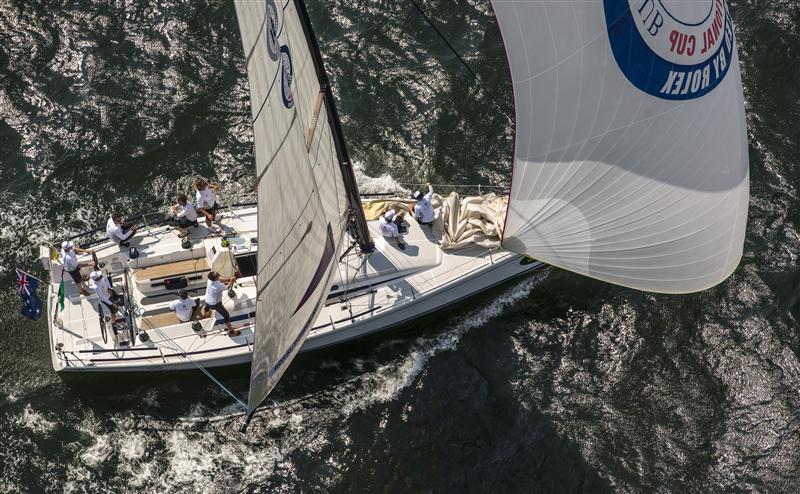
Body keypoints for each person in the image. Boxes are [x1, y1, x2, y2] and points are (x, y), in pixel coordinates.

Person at [202, 271, 240, 336]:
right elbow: (227, 287)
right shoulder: (218, 286)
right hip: (215, 304)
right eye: (217, 274)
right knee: (226, 315)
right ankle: (231, 331)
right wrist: (231, 280)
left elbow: (219, 279)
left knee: (207, 307)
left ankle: (205, 316)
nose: (218, 273)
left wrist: (229, 279)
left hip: (207, 300)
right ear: (215, 278)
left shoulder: (209, 281)